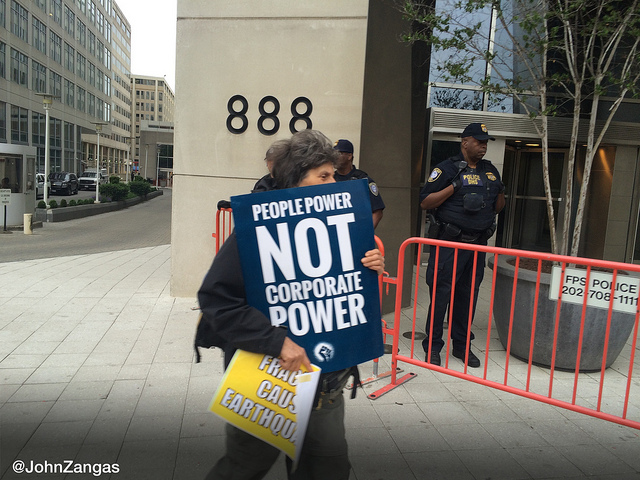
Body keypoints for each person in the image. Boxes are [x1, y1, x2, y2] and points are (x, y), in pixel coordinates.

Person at [196, 129, 384, 480]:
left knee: (327, 470)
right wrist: (276, 342)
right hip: (265, 380)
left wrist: (370, 268)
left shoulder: (342, 229)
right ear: (297, 181)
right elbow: (216, 299)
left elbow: (348, 295)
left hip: (326, 385)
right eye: (324, 176)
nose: (334, 183)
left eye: (334, 175)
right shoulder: (256, 231)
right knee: (243, 468)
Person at [419, 123, 505, 368]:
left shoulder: (490, 171)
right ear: (465, 142)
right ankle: (433, 346)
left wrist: (500, 191)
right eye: (479, 141)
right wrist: (454, 186)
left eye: (485, 142)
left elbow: (498, 207)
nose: (483, 146)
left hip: (477, 245)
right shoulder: (446, 169)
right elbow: (425, 202)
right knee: (441, 296)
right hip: (450, 243)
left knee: (468, 297)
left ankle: (461, 346)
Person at [333, 139, 385, 228]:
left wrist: (365, 232)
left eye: (338, 153)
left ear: (349, 156)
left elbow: (377, 212)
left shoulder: (363, 180)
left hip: (356, 229)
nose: (334, 157)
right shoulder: (329, 180)